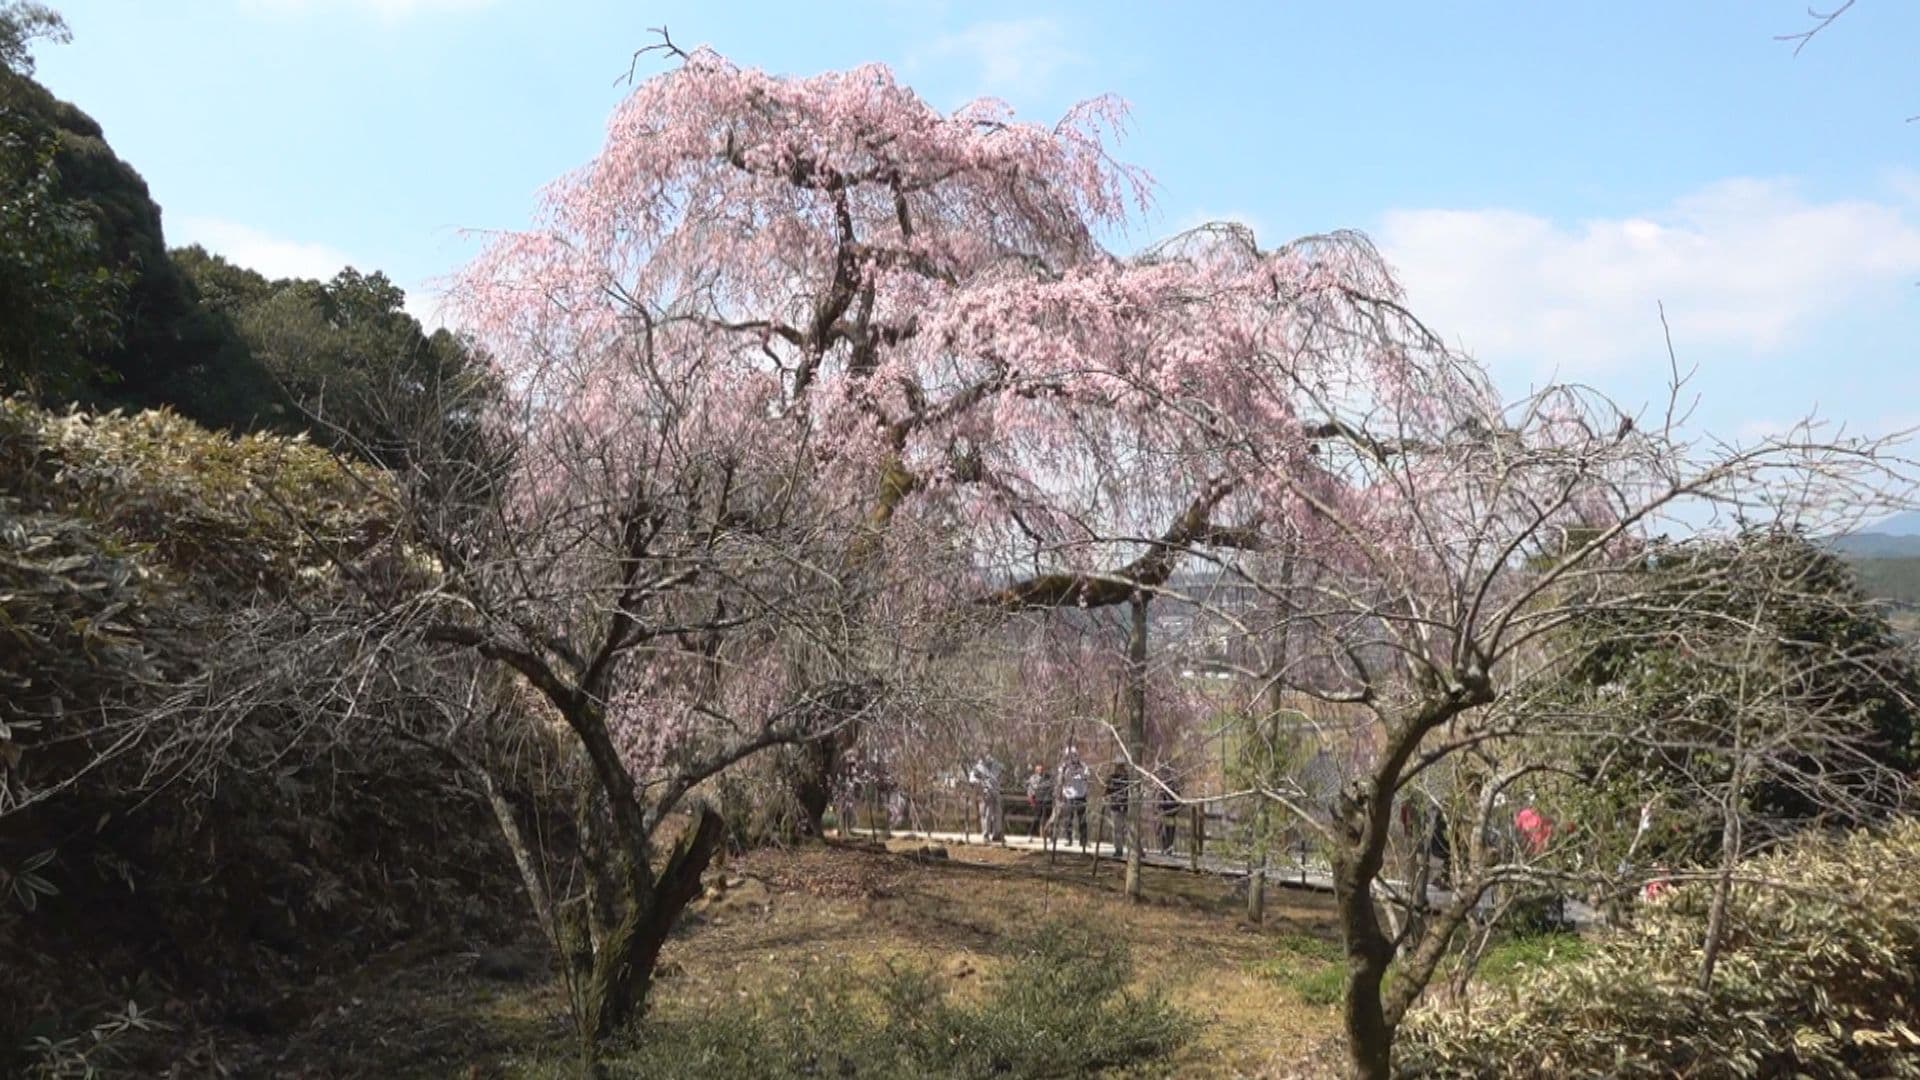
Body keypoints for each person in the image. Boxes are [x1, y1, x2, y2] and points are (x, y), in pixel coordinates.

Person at [1056, 747, 1091, 849]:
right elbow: (1060, 780)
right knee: (1068, 819)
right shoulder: (1064, 767)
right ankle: (1068, 839)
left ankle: (1084, 840)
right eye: (1070, 756)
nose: (1072, 758)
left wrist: (1082, 777)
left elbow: (1087, 777)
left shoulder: (1083, 766)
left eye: (1074, 755)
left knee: (1082, 820)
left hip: (1081, 796)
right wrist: (1063, 775)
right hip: (1069, 796)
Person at [968, 753, 1004, 842]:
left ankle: (997, 834)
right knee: (986, 815)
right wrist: (980, 782)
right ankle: (986, 835)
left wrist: (1000, 781)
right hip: (985, 794)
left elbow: (1002, 774)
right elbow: (972, 779)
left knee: (998, 814)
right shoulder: (978, 768)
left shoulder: (996, 765)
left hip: (996, 792)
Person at [1103, 763, 1131, 857]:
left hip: (1127, 807)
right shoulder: (1113, 778)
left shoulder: (1128, 779)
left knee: (1130, 829)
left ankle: (1136, 850)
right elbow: (1107, 791)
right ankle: (1118, 849)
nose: (1120, 769)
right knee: (1117, 830)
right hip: (1115, 807)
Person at [1024, 763, 1053, 840]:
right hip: (1038, 799)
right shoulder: (1033, 778)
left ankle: (1049, 835)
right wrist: (1031, 799)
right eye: (1039, 770)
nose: (1041, 771)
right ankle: (1031, 834)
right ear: (1036, 770)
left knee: (1049, 817)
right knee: (1037, 817)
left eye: (1042, 769)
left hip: (1047, 799)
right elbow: (1033, 788)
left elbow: (1051, 786)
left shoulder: (1048, 777)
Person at [1155, 764, 1179, 853]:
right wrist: (1158, 809)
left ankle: (1168, 849)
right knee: (1162, 831)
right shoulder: (1161, 786)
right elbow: (1158, 799)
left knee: (1170, 831)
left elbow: (1177, 800)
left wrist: (1175, 809)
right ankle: (1164, 848)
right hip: (1163, 811)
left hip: (1171, 812)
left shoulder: (1174, 787)